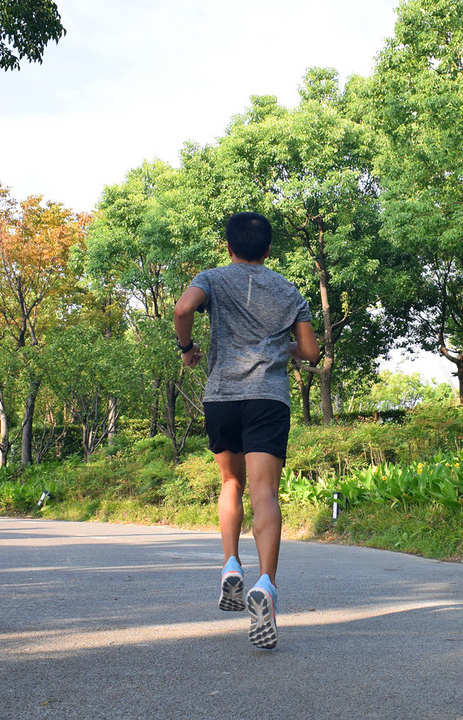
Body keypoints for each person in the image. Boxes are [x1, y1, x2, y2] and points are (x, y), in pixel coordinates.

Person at [173, 211, 320, 649]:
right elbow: (310, 351)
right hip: (267, 399)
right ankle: (266, 586)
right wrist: (280, 345)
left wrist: (188, 348)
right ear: (268, 249)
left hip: (222, 397)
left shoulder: (213, 278)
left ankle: (231, 565)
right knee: (265, 495)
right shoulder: (288, 289)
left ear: (229, 246)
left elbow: (183, 309)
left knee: (230, 482)